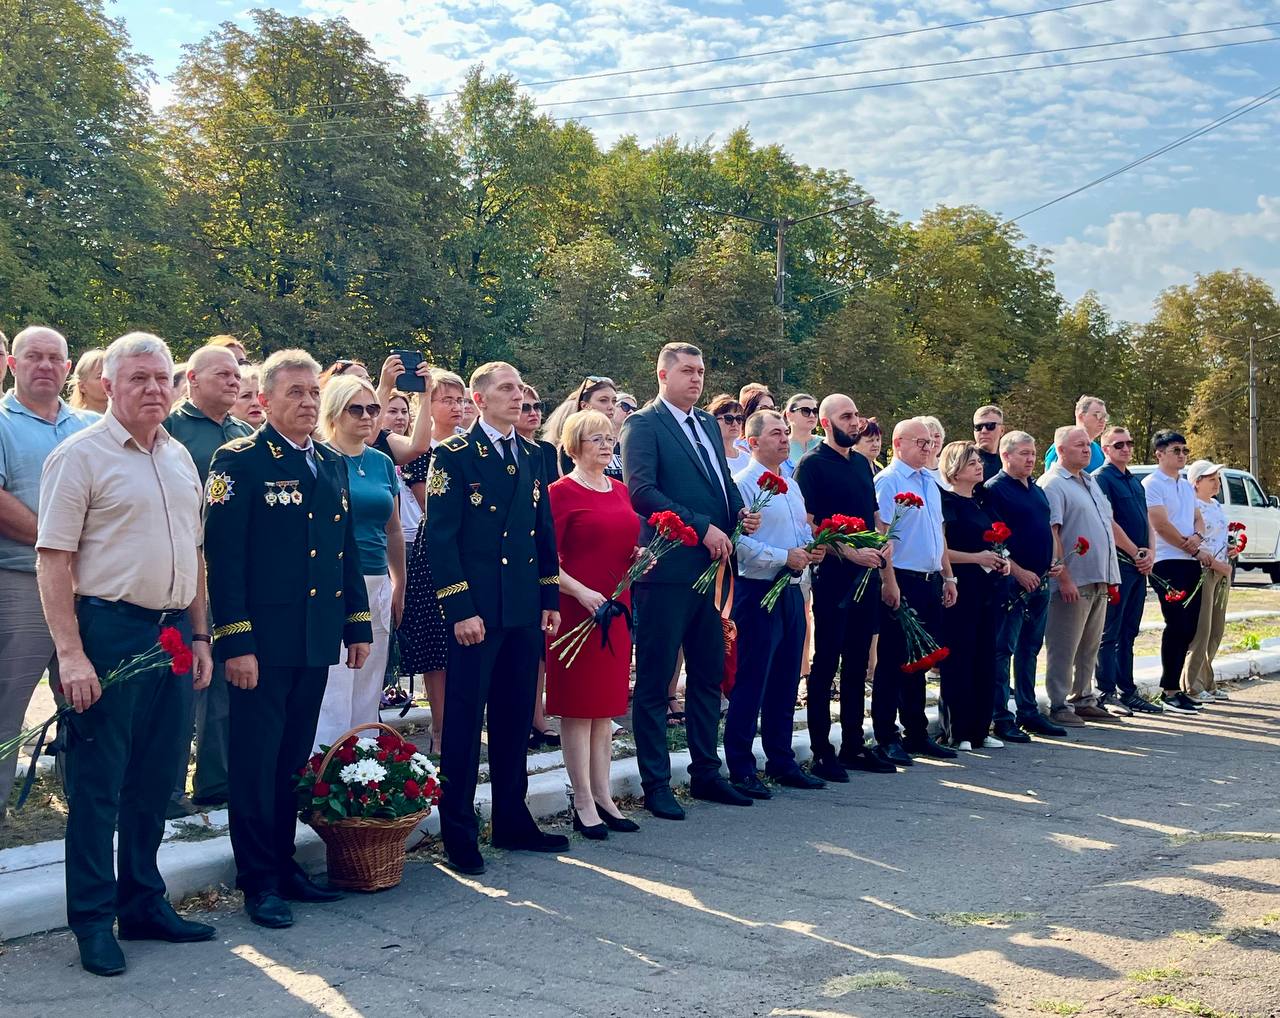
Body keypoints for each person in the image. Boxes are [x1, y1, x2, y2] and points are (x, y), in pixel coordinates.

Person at [36, 331, 215, 975]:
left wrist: (200, 636)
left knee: (155, 779)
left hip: (170, 632)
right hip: (107, 632)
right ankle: (92, 919)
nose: (152, 389)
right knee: (99, 785)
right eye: (137, 378)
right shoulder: (79, 456)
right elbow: (53, 559)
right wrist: (71, 654)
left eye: (162, 377)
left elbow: (194, 554)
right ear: (108, 385)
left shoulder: (178, 457)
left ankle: (143, 901)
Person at [204, 348, 372, 929]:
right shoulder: (240, 461)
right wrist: (236, 642)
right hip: (262, 642)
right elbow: (224, 562)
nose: (304, 402)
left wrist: (357, 623)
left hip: (313, 637)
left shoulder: (329, 462)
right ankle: (258, 880)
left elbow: (344, 549)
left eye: (310, 392)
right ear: (266, 400)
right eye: (293, 392)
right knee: (254, 763)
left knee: (292, 760)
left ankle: (285, 864)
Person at [425, 361, 566, 874]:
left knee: (512, 717)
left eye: (520, 388)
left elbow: (541, 530)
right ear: (478, 401)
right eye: (505, 389)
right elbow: (440, 539)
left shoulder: (533, 454)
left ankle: (512, 816)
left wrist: (548, 597)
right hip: (477, 610)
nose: (517, 395)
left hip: (523, 606)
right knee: (464, 723)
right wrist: (460, 607)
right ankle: (458, 830)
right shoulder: (454, 454)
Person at [620, 342, 759, 819]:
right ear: (662, 374)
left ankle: (706, 773)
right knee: (657, 681)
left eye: (700, 371)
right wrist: (701, 526)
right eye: (686, 371)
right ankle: (655, 783)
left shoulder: (704, 423)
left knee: (706, 675)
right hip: (668, 571)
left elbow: (721, 478)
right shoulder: (643, 424)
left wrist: (737, 512)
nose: (696, 379)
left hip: (714, 569)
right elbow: (642, 492)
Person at [0, 327, 97, 818]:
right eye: (32, 357)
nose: (43, 365)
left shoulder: (90, 425)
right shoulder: (0, 423)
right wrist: (56, 542)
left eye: (53, 358)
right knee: (7, 706)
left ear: (67, 367)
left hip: (91, 589)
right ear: (13, 365)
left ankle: (88, 804)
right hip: (21, 584)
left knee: (89, 703)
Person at [163, 346, 254, 812]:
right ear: (193, 378)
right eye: (223, 373)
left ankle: (216, 781)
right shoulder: (171, 428)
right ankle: (168, 787)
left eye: (237, 375)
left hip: (233, 573)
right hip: (181, 571)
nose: (234, 381)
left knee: (225, 678)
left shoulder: (244, 433)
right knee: (182, 682)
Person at [546, 409, 642, 837]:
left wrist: (641, 558)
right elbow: (545, 561)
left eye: (610, 438)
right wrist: (581, 592)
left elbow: (624, 544)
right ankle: (581, 797)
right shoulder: (558, 493)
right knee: (579, 709)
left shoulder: (620, 491)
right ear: (573, 446)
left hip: (615, 610)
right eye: (595, 439)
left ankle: (604, 795)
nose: (606, 446)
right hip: (575, 611)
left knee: (604, 710)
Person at [793, 394, 896, 778]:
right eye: (847, 417)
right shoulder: (812, 466)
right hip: (835, 576)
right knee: (827, 663)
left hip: (867, 574)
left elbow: (872, 516)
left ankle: (854, 743)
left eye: (856, 416)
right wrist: (848, 552)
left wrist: (880, 542)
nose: (855, 423)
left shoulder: (862, 466)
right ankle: (823, 750)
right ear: (825, 423)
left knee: (857, 662)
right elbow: (809, 524)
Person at [726, 410, 826, 795]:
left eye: (786, 433)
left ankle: (781, 759)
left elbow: (800, 529)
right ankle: (741, 766)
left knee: (786, 678)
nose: (785, 440)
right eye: (775, 434)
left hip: (790, 590)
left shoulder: (791, 483)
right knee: (753, 679)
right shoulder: (743, 484)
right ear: (752, 443)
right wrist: (783, 556)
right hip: (758, 590)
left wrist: (810, 549)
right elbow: (740, 544)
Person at [311, 375, 405, 750]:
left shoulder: (381, 462)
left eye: (373, 409)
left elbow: (394, 530)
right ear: (335, 412)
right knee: (335, 681)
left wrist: (400, 582)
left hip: (377, 579)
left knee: (369, 679)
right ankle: (326, 767)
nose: (368, 416)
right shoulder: (318, 459)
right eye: (357, 408)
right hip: (333, 582)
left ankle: (364, 770)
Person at [872, 419, 957, 763]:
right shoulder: (888, 481)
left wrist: (948, 576)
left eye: (930, 443)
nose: (928, 448)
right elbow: (882, 535)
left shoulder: (929, 482)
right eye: (920, 443)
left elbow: (938, 534)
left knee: (918, 662)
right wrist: (888, 580)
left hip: (928, 579)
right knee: (892, 661)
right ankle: (886, 735)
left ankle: (916, 733)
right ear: (898, 444)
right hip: (901, 578)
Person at [396, 367, 468, 752]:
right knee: (437, 645)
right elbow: (434, 507)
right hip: (434, 549)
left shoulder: (471, 444)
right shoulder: (423, 451)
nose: (456, 407)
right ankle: (441, 730)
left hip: (471, 551)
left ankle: (464, 724)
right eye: (446, 399)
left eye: (460, 400)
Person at [1038, 426, 1121, 728]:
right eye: (1079, 445)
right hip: (1074, 579)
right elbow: (1052, 532)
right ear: (1060, 450)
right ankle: (1059, 704)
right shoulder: (1053, 484)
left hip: (1098, 577)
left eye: (1088, 445)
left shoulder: (1089, 481)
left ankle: (1084, 698)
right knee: (1064, 643)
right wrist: (1065, 577)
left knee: (1089, 645)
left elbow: (1105, 524)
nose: (1087, 449)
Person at [983, 432, 1064, 742]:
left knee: (1030, 648)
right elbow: (993, 539)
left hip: (1041, 581)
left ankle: (1028, 711)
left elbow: (1045, 529)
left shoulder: (1037, 490)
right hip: (1012, 584)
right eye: (1024, 454)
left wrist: (1054, 561)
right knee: (1003, 649)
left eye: (1033, 453)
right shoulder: (995, 490)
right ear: (1006, 455)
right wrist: (1017, 571)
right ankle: (1000, 717)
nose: (1031, 459)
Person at [937, 441, 1009, 750]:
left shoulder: (982, 502)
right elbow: (941, 549)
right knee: (960, 657)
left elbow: (994, 541)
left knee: (985, 657)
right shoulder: (947, 502)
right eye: (971, 463)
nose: (979, 466)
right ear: (954, 469)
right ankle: (958, 730)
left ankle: (981, 728)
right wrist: (976, 558)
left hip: (986, 589)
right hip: (959, 585)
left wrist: (1001, 558)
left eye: (978, 461)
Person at [1091, 426, 1161, 716]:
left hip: (1140, 564)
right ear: (1105, 449)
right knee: (1110, 631)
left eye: (1129, 443)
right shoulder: (1102, 479)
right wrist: (1135, 552)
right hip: (1119, 564)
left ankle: (1127, 690)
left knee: (1130, 631)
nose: (1126, 449)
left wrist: (1150, 552)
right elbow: (1108, 522)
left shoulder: (1134, 481)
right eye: (1118, 444)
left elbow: (1146, 520)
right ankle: (1106, 691)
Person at [1143, 430, 1212, 714]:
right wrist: (1193, 548)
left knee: (1191, 626)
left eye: (1185, 450)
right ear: (1159, 454)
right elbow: (1159, 524)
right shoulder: (1152, 484)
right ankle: (1169, 690)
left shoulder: (1184, 485)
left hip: (1189, 561)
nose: (1182, 455)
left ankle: (1177, 687)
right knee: (1177, 623)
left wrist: (1197, 536)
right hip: (1167, 561)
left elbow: (1198, 517)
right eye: (1176, 450)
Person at [517, 383, 561, 749]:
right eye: (524, 405)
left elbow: (544, 520)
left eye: (536, 405)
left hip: (533, 569)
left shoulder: (541, 452)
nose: (531, 412)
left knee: (535, 655)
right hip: (496, 579)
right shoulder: (461, 453)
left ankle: (536, 716)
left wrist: (549, 588)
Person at [1183, 460, 1233, 702]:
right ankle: (1192, 684)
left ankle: (1207, 680)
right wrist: (1216, 564)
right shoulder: (1193, 506)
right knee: (1201, 630)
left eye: (1217, 479)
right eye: (1211, 479)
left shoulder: (1215, 505)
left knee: (1216, 630)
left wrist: (1230, 551)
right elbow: (1195, 543)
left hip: (1222, 572)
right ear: (1196, 482)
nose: (1217, 484)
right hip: (1204, 570)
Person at [547, 376, 622, 480]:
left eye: (614, 401)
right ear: (584, 405)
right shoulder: (575, 441)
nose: (611, 406)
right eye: (603, 400)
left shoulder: (616, 443)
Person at [1044, 395, 1108, 471]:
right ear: (1081, 416)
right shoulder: (1062, 447)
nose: (1103, 420)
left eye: (1105, 416)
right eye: (1098, 415)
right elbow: (1052, 479)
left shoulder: (1098, 449)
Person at [706, 394, 751, 473]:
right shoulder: (708, 456)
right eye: (728, 419)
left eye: (739, 419)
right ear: (714, 421)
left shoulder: (748, 458)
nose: (735, 424)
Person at [784, 392, 821, 467]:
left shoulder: (826, 443)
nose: (812, 415)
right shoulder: (781, 446)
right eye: (805, 411)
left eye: (815, 411)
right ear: (789, 415)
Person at [68, 349, 109, 414]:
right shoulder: (75, 421)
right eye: (99, 377)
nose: (108, 380)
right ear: (82, 387)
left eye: (111, 375)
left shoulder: (126, 419)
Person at [972, 405, 1005, 481]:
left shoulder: (1006, 463)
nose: (983, 431)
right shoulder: (964, 461)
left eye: (990, 426)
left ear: (1002, 430)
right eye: (978, 427)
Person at [916, 415, 946, 485]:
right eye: (929, 436)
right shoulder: (915, 470)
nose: (933, 440)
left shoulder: (949, 467)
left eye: (937, 436)